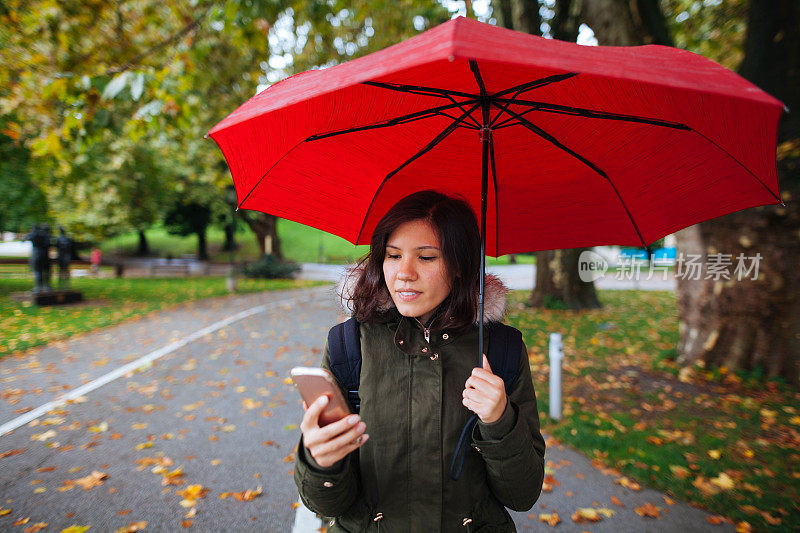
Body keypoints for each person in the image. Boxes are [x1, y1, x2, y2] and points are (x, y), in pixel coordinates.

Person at [294, 191, 546, 532]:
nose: (404, 273)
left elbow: (522, 495)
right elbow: (329, 504)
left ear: (460, 265)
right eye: (393, 255)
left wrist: (499, 420)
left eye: (426, 258)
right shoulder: (348, 345)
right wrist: (321, 463)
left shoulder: (501, 349)